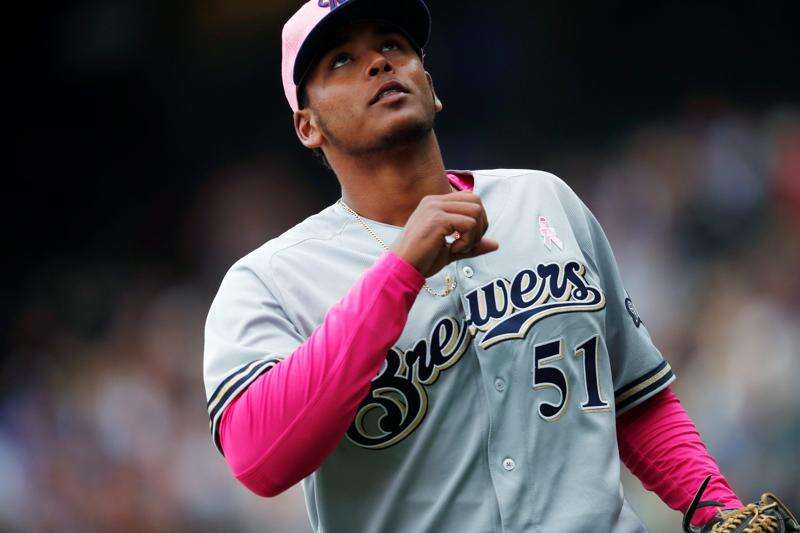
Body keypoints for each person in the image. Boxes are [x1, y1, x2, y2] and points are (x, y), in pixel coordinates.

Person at [203, 1, 749, 531]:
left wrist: (716, 508)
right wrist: (400, 272)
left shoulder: (543, 200)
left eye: (393, 45)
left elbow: (635, 397)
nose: (379, 62)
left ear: (432, 88)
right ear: (307, 125)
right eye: (340, 60)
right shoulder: (270, 279)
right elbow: (259, 458)